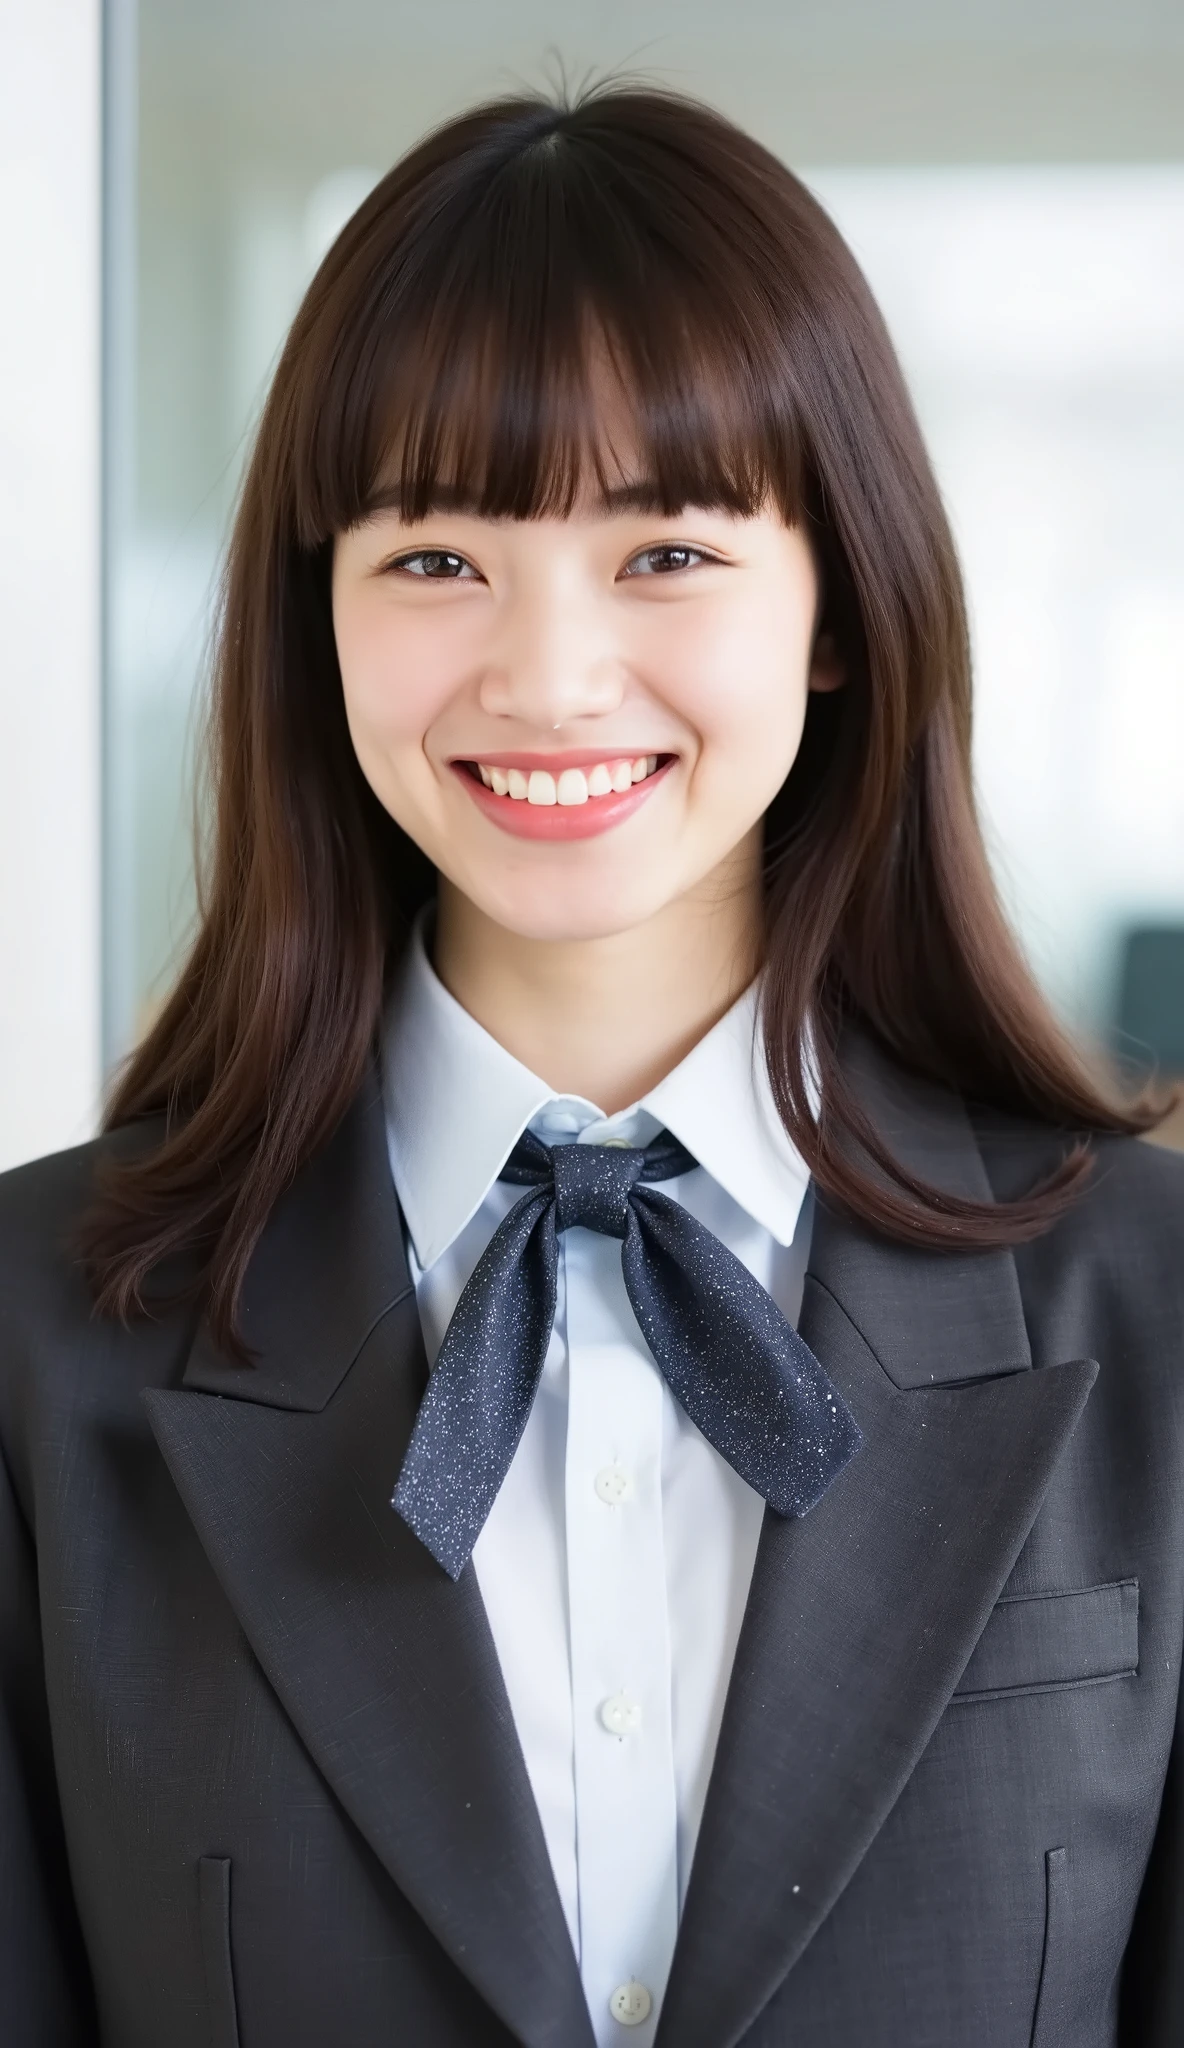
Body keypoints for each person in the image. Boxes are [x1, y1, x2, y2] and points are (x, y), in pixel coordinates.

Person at [1, 82, 1181, 2048]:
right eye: (436, 559)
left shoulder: (1154, 1302)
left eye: (666, 552)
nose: (546, 679)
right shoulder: (39, 1335)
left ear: (836, 607)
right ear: (319, 613)